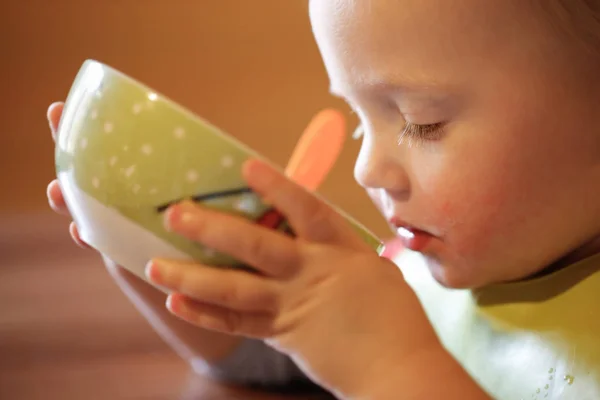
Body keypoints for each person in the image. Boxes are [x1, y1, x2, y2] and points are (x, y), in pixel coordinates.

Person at [46, 1, 600, 398]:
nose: (367, 170)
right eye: (362, 124)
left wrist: (393, 365)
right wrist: (149, 245)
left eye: (420, 122)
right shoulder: (421, 270)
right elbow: (262, 364)